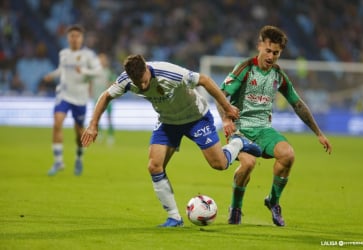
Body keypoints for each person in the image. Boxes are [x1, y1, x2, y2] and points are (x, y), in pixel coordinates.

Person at [81, 54, 262, 227]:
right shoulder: (126, 80)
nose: (143, 86)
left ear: (146, 68)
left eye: (144, 80)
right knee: (154, 166)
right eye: (138, 83)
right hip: (168, 122)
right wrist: (93, 124)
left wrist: (227, 107)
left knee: (219, 164)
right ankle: (174, 217)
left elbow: (205, 80)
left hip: (196, 118)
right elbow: (106, 96)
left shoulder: (170, 73)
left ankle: (238, 143)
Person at [218, 25, 332, 226]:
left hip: (263, 130)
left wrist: (318, 133)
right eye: (268, 50)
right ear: (259, 46)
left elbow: (297, 104)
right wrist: (227, 120)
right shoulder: (244, 68)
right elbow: (221, 98)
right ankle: (236, 207)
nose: (271, 56)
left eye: (276, 53)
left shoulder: (278, 76)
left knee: (288, 155)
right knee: (249, 164)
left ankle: (273, 201)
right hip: (240, 129)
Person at [44, 24, 102, 176]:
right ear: (68, 38)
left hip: (80, 98)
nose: (74, 39)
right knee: (57, 123)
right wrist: (52, 75)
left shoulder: (88, 55)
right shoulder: (64, 53)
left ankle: (79, 157)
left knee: (79, 134)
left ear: (82, 38)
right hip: (63, 94)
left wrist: (84, 71)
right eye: (72, 36)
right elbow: (62, 69)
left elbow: (98, 71)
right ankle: (58, 162)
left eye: (77, 36)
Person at [90, 53, 115, 145]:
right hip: (96, 99)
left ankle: (110, 136)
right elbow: (91, 83)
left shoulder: (109, 72)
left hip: (106, 99)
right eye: (100, 60)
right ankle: (99, 135)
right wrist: (91, 92)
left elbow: (113, 83)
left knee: (109, 118)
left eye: (103, 60)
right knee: (96, 118)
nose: (102, 61)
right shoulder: (95, 72)